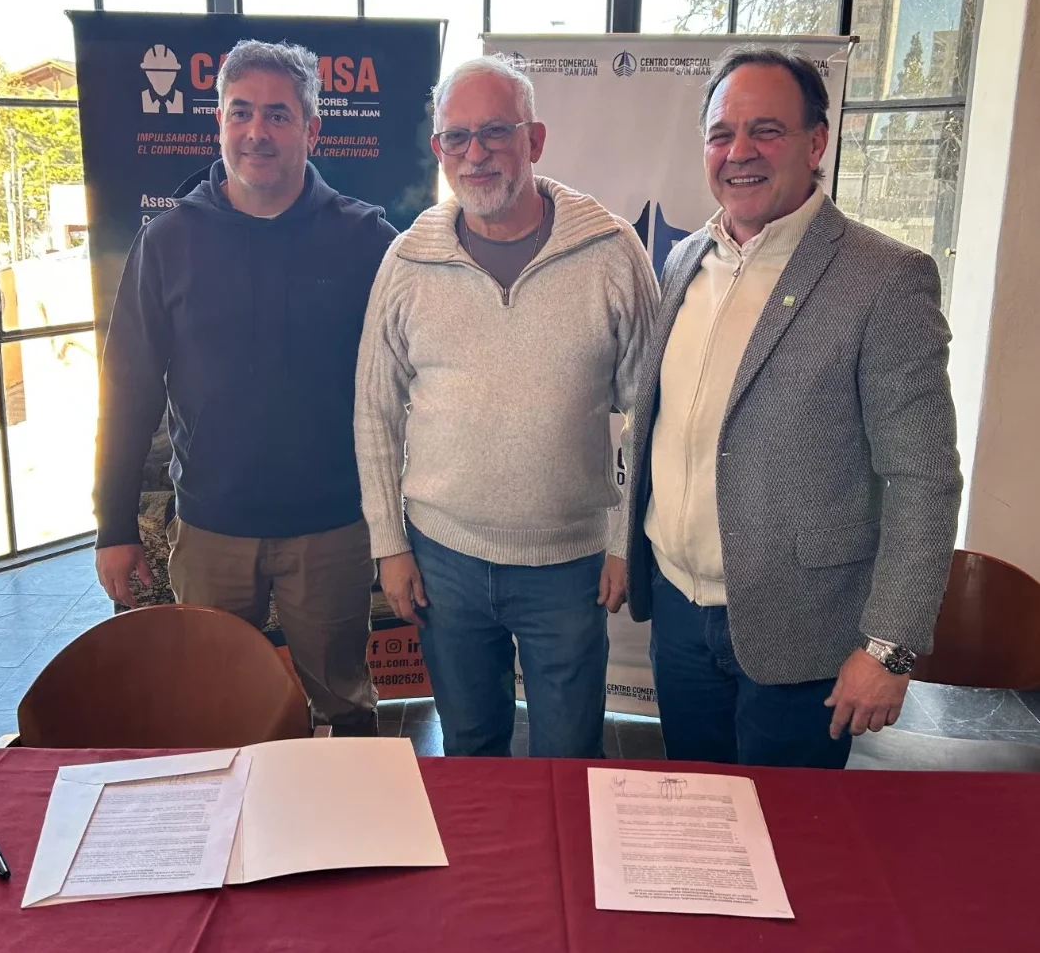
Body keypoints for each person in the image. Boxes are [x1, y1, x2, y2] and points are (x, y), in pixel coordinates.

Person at [624, 47, 962, 769]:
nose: (738, 153)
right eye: (721, 134)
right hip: (679, 620)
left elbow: (924, 479)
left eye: (765, 130)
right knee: (702, 824)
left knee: (795, 849)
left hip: (803, 632)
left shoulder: (885, 280)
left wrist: (888, 646)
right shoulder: (685, 260)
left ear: (816, 142)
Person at [355, 55, 658, 758]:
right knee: (469, 744)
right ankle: (482, 871)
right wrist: (389, 545)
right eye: (455, 138)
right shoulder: (407, 262)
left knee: (568, 751)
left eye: (495, 131)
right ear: (438, 150)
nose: (476, 153)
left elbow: (647, 408)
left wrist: (623, 542)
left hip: (569, 563)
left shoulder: (612, 252)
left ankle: (567, 870)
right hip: (442, 561)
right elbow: (374, 409)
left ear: (535, 139)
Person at [94, 39, 397, 735]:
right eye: (240, 113)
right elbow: (128, 390)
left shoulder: (365, 239)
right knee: (213, 710)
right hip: (210, 532)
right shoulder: (167, 241)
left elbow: (408, 382)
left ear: (312, 129)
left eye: (278, 115)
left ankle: (347, 843)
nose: (256, 132)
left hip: (330, 529)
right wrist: (114, 525)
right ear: (220, 124)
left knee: (345, 706)